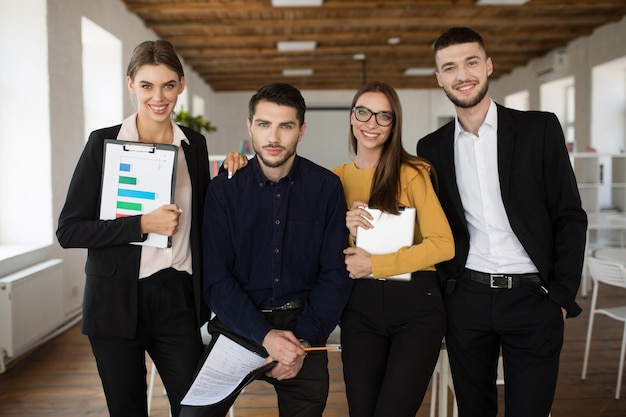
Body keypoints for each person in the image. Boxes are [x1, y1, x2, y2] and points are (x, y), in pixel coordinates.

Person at [56, 40, 247, 417]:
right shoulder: (103, 143)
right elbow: (70, 230)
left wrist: (231, 172)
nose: (158, 97)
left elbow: (208, 220)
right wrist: (141, 224)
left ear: (181, 85)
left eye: (168, 85)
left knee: (199, 408)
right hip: (115, 301)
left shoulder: (194, 145)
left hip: (177, 296)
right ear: (131, 84)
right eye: (147, 85)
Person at [416, 27, 588, 417]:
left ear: (489, 65)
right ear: (439, 78)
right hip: (467, 299)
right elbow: (431, 223)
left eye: (471, 62)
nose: (463, 75)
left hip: (534, 299)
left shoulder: (538, 129)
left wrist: (560, 296)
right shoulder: (431, 147)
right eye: (450, 67)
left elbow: (570, 216)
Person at [199, 82, 353, 417]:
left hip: (305, 328)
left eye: (286, 126)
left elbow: (335, 275)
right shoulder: (223, 190)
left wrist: (300, 343)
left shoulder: (326, 188)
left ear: (301, 130)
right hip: (238, 325)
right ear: (249, 126)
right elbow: (215, 279)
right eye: (264, 124)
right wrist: (267, 338)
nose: (273, 137)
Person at [332, 80, 454, 417]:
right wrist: (346, 229)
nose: (372, 123)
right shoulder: (333, 180)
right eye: (364, 112)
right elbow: (331, 256)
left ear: (394, 125)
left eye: (383, 116)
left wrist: (377, 264)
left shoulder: (414, 173)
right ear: (352, 118)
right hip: (360, 309)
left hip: (416, 307)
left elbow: (443, 245)